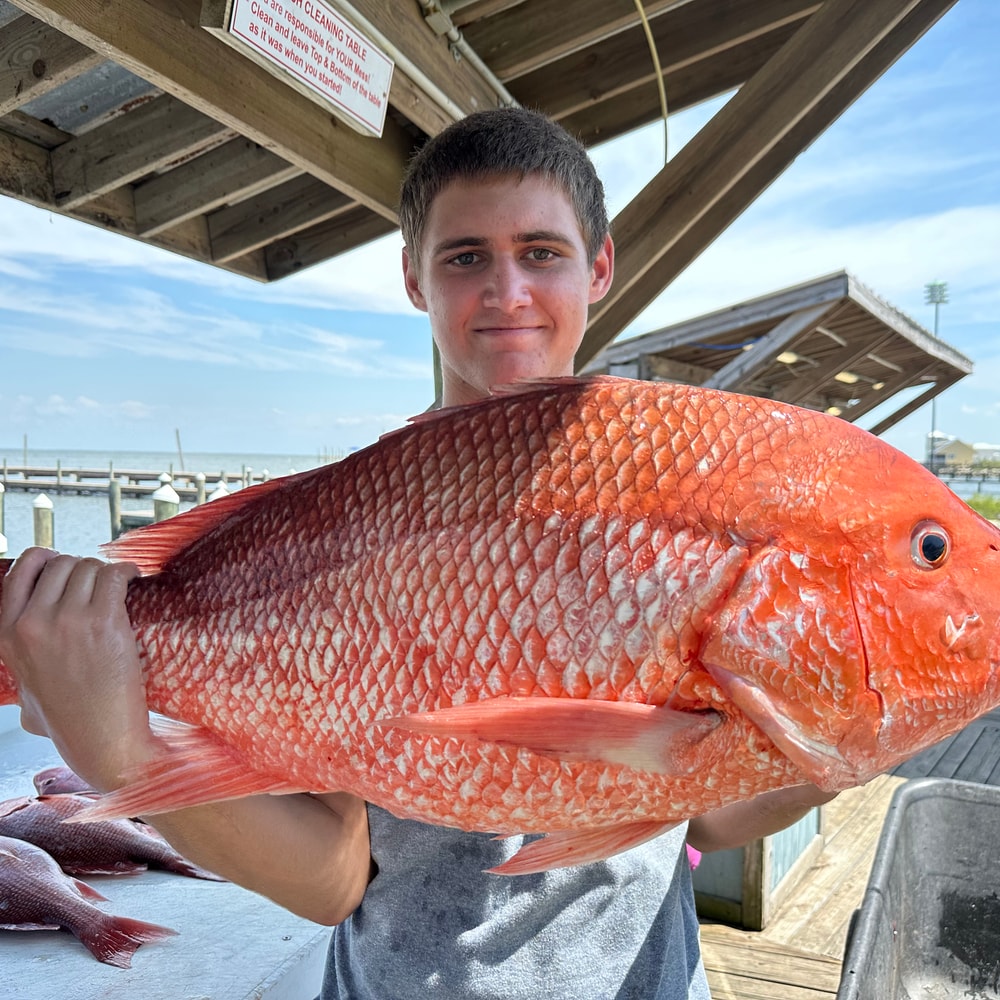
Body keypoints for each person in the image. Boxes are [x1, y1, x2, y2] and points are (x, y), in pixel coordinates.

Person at [0, 108, 835, 998]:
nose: (507, 291)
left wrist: (830, 752)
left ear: (599, 267)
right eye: (466, 255)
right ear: (414, 278)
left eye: (542, 253)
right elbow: (328, 879)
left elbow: (701, 808)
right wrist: (122, 753)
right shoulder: (358, 517)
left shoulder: (677, 490)